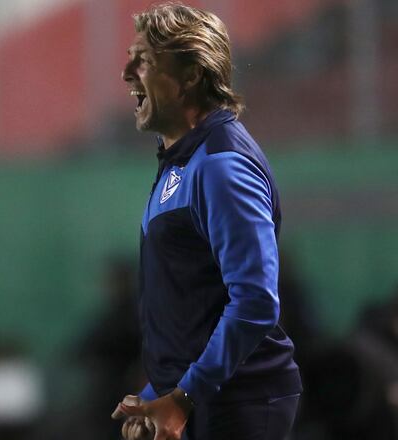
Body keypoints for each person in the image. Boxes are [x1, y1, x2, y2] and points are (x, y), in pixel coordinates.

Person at [111, 4, 302, 440]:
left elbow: (255, 302)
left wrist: (181, 398)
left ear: (191, 75)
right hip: (203, 401)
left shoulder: (221, 164)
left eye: (143, 60)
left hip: (237, 405)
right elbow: (192, 305)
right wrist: (156, 394)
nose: (125, 73)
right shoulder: (182, 160)